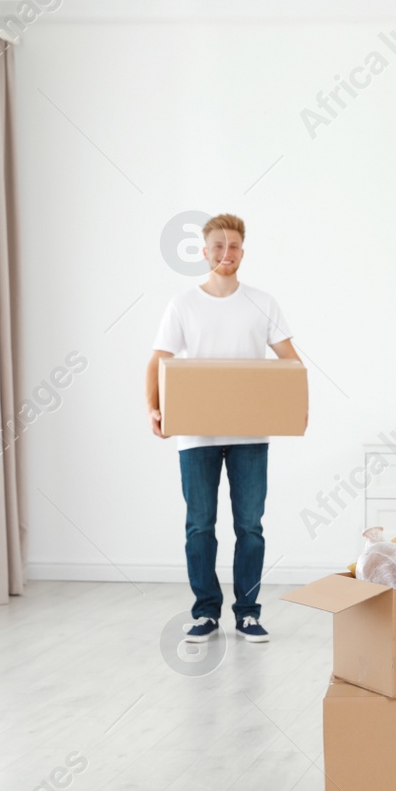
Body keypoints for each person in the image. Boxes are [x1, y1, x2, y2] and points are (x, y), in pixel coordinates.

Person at [147, 213, 303, 644]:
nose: (226, 254)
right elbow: (158, 360)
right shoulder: (183, 305)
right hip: (196, 435)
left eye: (233, 246)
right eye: (218, 246)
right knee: (200, 526)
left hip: (250, 436)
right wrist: (153, 409)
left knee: (249, 526)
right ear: (204, 251)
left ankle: (248, 613)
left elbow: (292, 363)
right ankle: (206, 613)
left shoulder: (262, 302)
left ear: (243, 252)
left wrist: (296, 407)